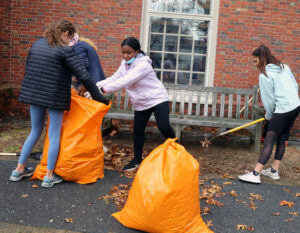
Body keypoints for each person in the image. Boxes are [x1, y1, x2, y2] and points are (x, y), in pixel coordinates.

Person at [9, 20, 109, 188]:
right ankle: (49, 176)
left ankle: (18, 170)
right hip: (55, 96)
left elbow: (30, 68)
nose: (70, 41)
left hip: (34, 93)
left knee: (35, 130)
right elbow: (84, 76)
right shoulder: (65, 49)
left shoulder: (37, 44)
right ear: (65, 34)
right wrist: (99, 98)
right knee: (54, 134)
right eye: (71, 37)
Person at [95, 37, 176, 171]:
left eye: (129, 53)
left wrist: (103, 90)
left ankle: (179, 150)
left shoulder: (143, 65)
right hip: (141, 102)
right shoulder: (125, 63)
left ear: (137, 52)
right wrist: (96, 86)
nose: (126, 56)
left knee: (164, 127)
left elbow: (126, 80)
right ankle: (137, 160)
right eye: (124, 53)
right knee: (138, 131)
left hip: (157, 98)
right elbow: (116, 77)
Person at [238, 44, 300, 184]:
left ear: (261, 59)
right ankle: (273, 171)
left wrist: (269, 117)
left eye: (255, 61)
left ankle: (255, 174)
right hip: (296, 106)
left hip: (283, 109)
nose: (254, 64)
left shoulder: (264, 75)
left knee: (269, 139)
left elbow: (269, 101)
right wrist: (290, 100)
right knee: (282, 137)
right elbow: (295, 86)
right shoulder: (284, 67)